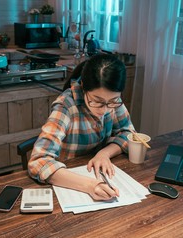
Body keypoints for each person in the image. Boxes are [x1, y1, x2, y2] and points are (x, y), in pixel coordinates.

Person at [28, 53, 135, 201]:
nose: (104, 110)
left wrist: (104, 154)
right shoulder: (66, 106)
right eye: (97, 101)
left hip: (99, 173)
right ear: (83, 87)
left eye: (112, 101)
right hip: (68, 180)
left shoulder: (111, 100)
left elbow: (129, 133)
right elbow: (38, 161)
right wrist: (90, 185)